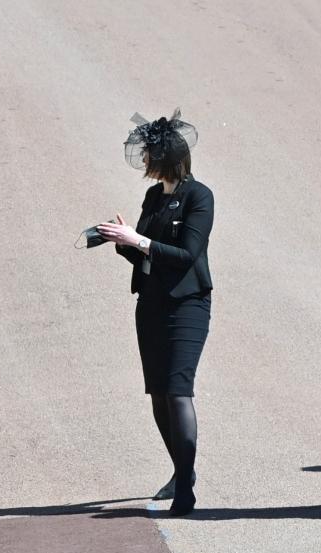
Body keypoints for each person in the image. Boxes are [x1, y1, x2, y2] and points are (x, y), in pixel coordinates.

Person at [97, 109, 213, 516]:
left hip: (187, 306)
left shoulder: (200, 197)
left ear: (167, 158)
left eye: (149, 155)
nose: (144, 161)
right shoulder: (153, 197)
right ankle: (182, 471)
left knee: (178, 392)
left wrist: (139, 241)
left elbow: (185, 256)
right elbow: (147, 256)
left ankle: (185, 488)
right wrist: (122, 242)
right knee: (158, 397)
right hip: (151, 304)